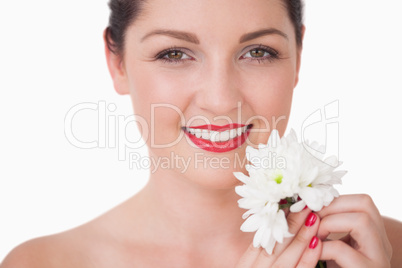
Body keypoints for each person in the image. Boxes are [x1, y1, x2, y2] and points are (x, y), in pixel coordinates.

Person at [1, 0, 402, 267]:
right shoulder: (40, 263)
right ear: (117, 63)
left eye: (258, 52)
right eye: (174, 54)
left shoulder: (378, 250)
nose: (220, 99)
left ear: (298, 55)